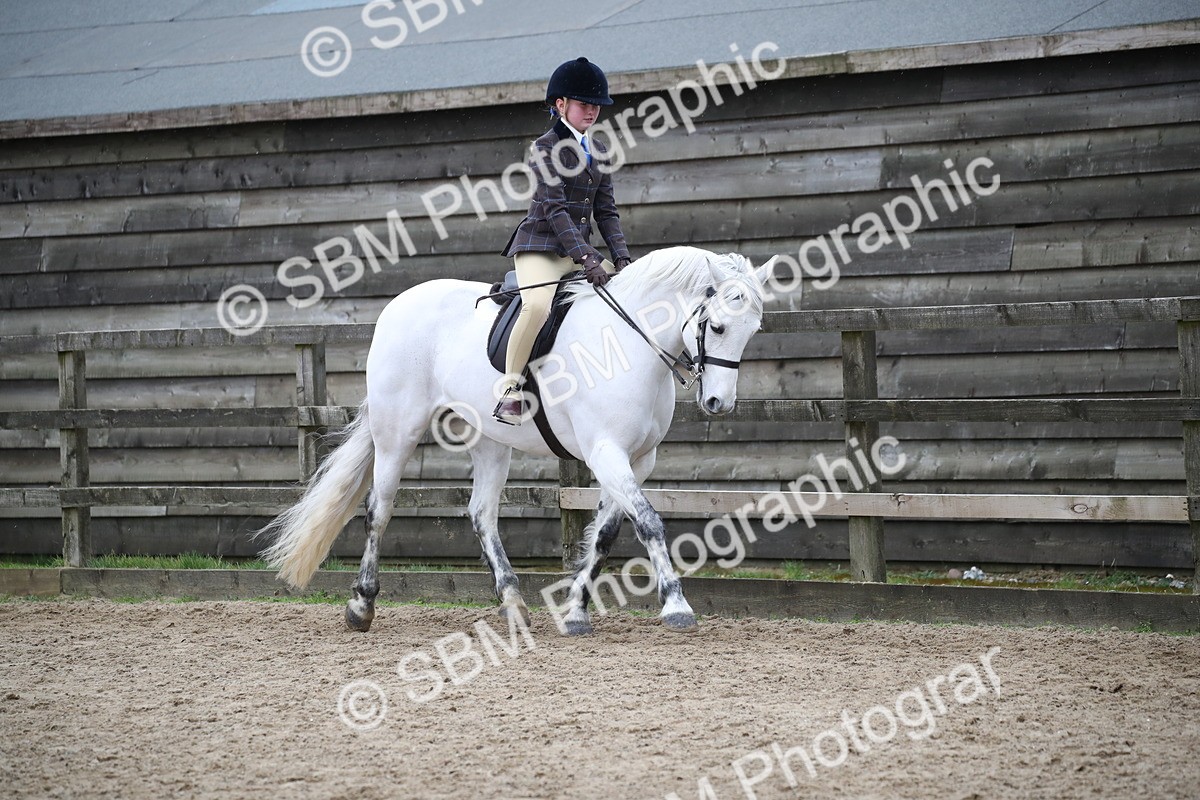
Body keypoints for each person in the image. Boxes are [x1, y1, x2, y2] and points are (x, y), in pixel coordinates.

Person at [493, 56, 632, 425]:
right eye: (584, 104)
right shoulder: (544, 147)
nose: (592, 111)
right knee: (536, 308)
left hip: (577, 253)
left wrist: (621, 259)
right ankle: (510, 390)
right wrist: (587, 258)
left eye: (596, 105)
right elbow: (555, 210)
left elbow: (607, 213)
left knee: (627, 296)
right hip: (539, 247)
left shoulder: (599, 151)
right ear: (560, 104)